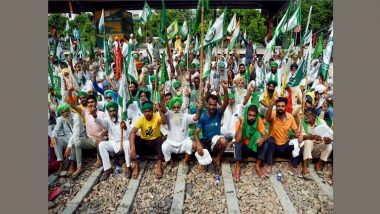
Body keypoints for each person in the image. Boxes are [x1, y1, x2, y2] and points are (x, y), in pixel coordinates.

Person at [67, 90, 107, 178]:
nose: (90, 104)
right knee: (77, 142)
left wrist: (100, 137)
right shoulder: (85, 112)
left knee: (100, 142)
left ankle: (100, 158)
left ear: (96, 103)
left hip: (101, 139)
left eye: (92, 102)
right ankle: (79, 166)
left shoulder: (102, 114)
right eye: (89, 102)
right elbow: (72, 105)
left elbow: (107, 129)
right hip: (90, 140)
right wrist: (69, 94)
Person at [159, 90, 203, 168]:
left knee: (189, 143)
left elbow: (196, 117)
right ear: (172, 108)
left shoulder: (185, 116)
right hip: (171, 143)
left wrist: (199, 109)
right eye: (174, 107)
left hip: (183, 143)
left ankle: (185, 161)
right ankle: (170, 162)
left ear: (180, 107)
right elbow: (162, 106)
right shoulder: (169, 114)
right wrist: (162, 95)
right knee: (164, 146)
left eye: (177, 107)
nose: (176, 109)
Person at [91, 102, 133, 180]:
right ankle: (107, 169)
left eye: (114, 111)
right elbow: (100, 122)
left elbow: (129, 135)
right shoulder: (108, 120)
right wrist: (94, 115)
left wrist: (125, 128)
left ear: (117, 111)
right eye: (110, 111)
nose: (112, 113)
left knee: (127, 143)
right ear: (108, 113)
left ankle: (128, 167)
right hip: (112, 144)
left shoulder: (123, 119)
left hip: (122, 143)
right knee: (102, 144)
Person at [194, 80, 229, 173]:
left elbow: (226, 102)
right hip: (205, 142)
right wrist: (198, 144)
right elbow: (196, 132)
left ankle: (217, 159)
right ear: (207, 104)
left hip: (215, 142)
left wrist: (225, 89)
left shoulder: (218, 112)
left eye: (214, 105)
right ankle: (204, 161)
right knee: (193, 145)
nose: (212, 107)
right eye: (210, 104)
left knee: (224, 141)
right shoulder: (203, 116)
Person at [264, 96, 303, 174]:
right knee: (271, 139)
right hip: (274, 147)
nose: (280, 108)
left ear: (285, 107)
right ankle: (269, 164)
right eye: (278, 106)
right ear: (276, 107)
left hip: (285, 146)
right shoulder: (273, 115)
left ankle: (292, 164)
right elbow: (267, 118)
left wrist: (299, 136)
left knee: (300, 144)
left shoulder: (290, 117)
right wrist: (271, 104)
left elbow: (295, 132)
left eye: (282, 106)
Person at [129, 101, 168, 179]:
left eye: (149, 110)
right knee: (133, 138)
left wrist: (159, 110)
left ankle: (159, 166)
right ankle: (136, 165)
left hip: (155, 144)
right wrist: (132, 148)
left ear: (152, 110)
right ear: (143, 112)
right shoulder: (141, 119)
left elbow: (164, 122)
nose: (148, 113)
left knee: (160, 139)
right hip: (145, 144)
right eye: (145, 111)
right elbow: (132, 132)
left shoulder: (157, 116)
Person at [50, 104, 86, 177]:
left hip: (80, 137)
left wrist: (69, 147)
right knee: (56, 140)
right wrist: (53, 136)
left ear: (69, 110)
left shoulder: (76, 116)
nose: (65, 114)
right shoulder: (60, 119)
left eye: (66, 111)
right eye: (63, 112)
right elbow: (56, 130)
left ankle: (73, 164)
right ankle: (61, 163)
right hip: (68, 137)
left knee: (73, 141)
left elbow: (76, 134)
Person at [233, 104, 268, 180]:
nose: (252, 118)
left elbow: (265, 135)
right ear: (246, 114)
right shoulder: (240, 121)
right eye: (250, 115)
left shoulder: (258, 120)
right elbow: (237, 139)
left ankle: (257, 165)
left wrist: (262, 140)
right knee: (238, 143)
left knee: (265, 142)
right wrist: (242, 125)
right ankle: (237, 167)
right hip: (244, 149)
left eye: (254, 115)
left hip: (254, 147)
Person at [301, 108, 333, 178]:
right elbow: (302, 137)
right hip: (306, 148)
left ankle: (318, 165)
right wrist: (312, 137)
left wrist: (328, 140)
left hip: (317, 147)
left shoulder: (322, 122)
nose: (305, 117)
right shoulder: (302, 122)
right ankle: (304, 167)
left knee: (329, 146)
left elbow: (328, 135)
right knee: (308, 142)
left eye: (307, 115)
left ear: (314, 116)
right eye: (305, 115)